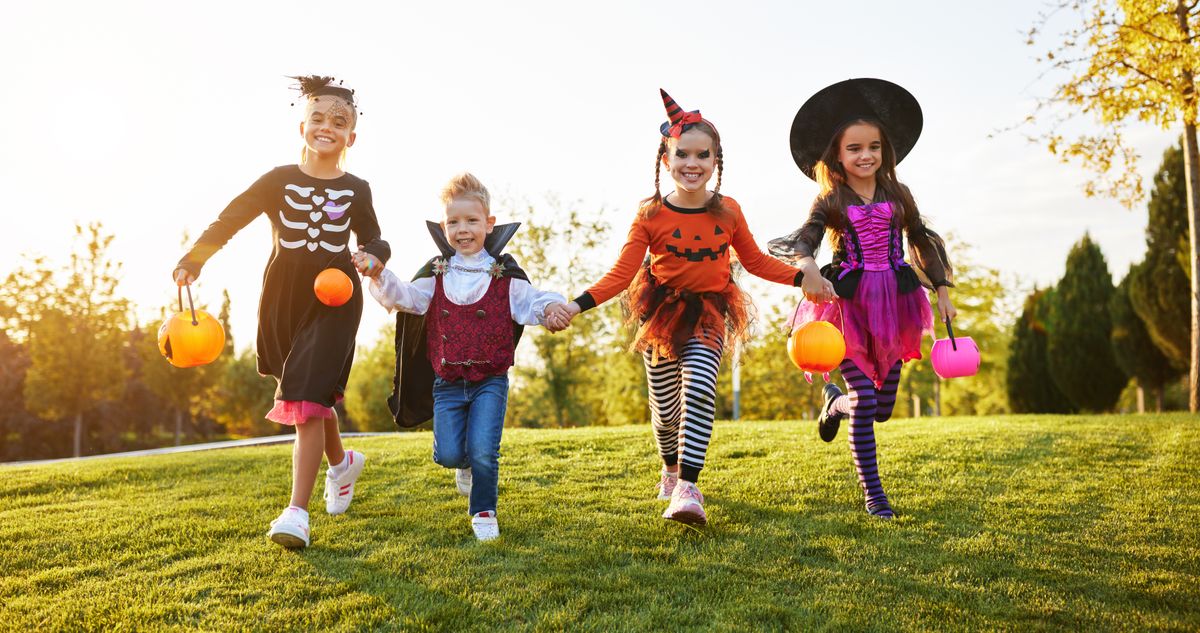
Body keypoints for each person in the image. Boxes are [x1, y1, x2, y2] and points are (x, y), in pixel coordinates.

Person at [560, 90, 804, 526]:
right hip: (662, 312)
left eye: (702, 156)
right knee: (666, 410)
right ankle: (670, 469)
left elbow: (755, 262)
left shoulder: (729, 211)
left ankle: (689, 489)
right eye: (682, 155)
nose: (692, 164)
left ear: (716, 162)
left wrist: (805, 277)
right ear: (666, 159)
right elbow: (621, 273)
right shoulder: (650, 213)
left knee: (700, 390)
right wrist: (576, 306)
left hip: (710, 311)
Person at [174, 76, 389, 548]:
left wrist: (372, 257)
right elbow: (229, 218)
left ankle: (296, 513)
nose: (327, 127)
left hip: (336, 300)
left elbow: (375, 238)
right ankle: (342, 464)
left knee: (307, 396)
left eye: (339, 121)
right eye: (318, 118)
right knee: (307, 394)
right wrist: (194, 259)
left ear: (351, 136)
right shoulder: (277, 180)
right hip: (282, 300)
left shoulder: (357, 188)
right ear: (302, 126)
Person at [769, 78, 956, 519]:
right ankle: (875, 495)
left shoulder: (898, 193)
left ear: (885, 150)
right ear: (838, 154)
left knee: (884, 407)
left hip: (897, 301)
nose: (865, 155)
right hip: (848, 305)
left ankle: (835, 404)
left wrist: (942, 290)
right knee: (867, 402)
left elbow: (921, 240)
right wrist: (809, 267)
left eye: (873, 146)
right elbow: (805, 239)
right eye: (854, 148)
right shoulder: (832, 198)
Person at [366, 172, 568, 541]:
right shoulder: (437, 271)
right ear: (443, 227)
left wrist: (552, 308)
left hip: (490, 379)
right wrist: (379, 274)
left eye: (472, 221)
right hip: (446, 382)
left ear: (489, 224)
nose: (463, 229)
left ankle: (484, 511)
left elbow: (530, 302)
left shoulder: (504, 271)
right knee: (448, 453)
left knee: (484, 451)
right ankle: (463, 465)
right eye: (454, 222)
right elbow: (407, 298)